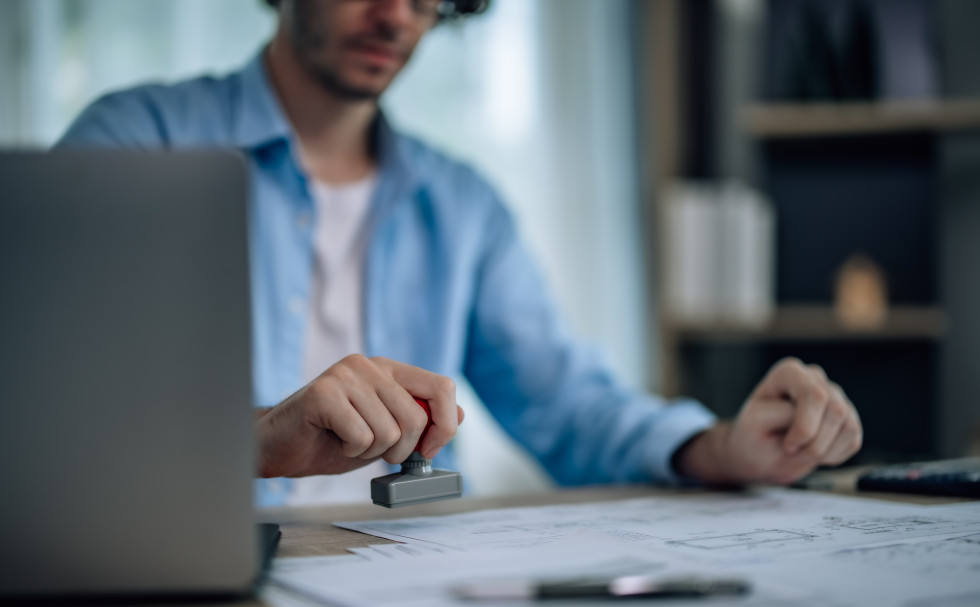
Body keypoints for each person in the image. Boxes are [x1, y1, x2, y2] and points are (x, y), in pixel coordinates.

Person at [59, 0, 862, 505]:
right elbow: (51, 416)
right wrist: (256, 437)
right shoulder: (135, 145)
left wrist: (717, 447)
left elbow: (567, 403)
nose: (397, 16)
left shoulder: (464, 204)